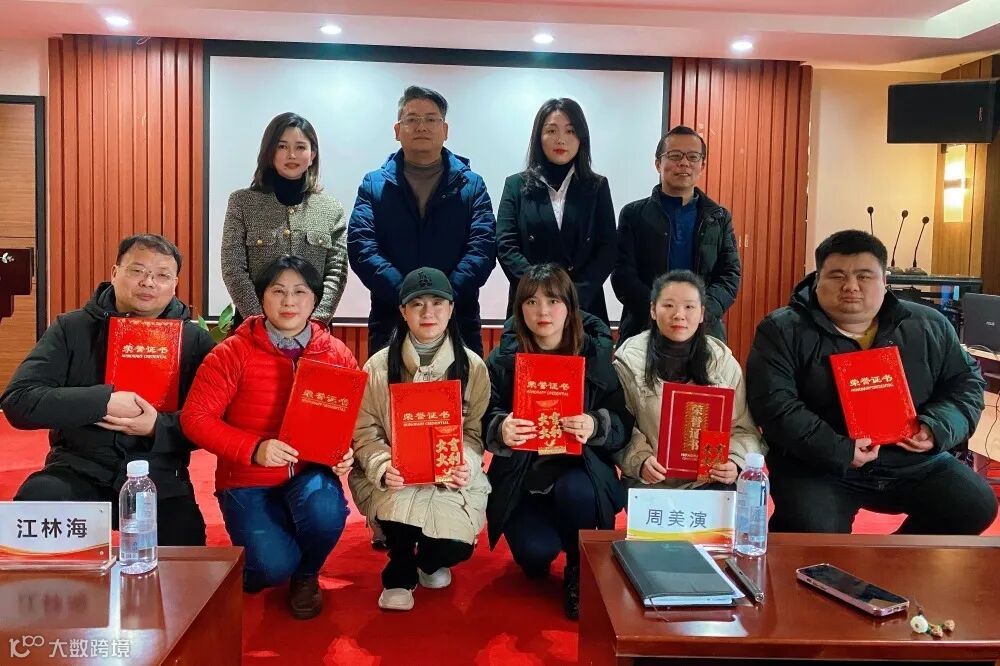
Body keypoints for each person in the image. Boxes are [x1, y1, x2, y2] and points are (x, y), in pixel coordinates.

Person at [746, 230, 998, 534]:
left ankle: (896, 558)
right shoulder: (782, 330)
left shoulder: (928, 325)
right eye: (837, 276)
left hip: (909, 460)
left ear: (884, 281)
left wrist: (937, 427)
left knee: (974, 504)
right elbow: (774, 404)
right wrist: (839, 449)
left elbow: (965, 383)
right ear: (817, 279)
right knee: (811, 528)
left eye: (864, 276)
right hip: (819, 463)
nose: (851, 286)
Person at [1, 234, 213, 546]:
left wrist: (157, 427)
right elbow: (19, 401)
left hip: (159, 477)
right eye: (137, 271)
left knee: (185, 550)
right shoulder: (71, 328)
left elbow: (212, 421)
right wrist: (102, 402)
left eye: (162, 275)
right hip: (77, 468)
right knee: (38, 506)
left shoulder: (194, 341)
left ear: (174, 284)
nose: (148, 282)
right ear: (114, 273)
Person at [181, 255, 356, 619]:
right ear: (261, 297)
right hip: (248, 479)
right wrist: (254, 448)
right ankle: (264, 560)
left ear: (315, 299)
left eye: (300, 292)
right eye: (278, 291)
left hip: (309, 471)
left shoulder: (335, 353)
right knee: (270, 569)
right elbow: (195, 419)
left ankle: (306, 574)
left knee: (326, 512)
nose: (289, 301)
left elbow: (353, 416)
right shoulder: (232, 353)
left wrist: (346, 450)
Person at [483, 263, 632, 620]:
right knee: (534, 556)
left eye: (553, 301)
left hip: (581, 474)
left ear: (570, 307)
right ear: (519, 308)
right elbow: (483, 416)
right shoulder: (503, 360)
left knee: (577, 492)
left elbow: (622, 422)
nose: (543, 311)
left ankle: (579, 570)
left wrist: (595, 424)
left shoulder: (596, 356)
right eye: (531, 302)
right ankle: (547, 539)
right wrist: (501, 429)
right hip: (525, 478)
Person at [350, 267, 491, 612]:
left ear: (451, 308)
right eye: (417, 304)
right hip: (397, 478)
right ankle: (399, 569)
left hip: (449, 480)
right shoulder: (378, 367)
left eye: (438, 303)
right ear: (403, 311)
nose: (428, 313)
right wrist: (382, 466)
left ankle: (428, 561)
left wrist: (466, 463)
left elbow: (475, 433)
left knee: (454, 548)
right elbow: (364, 432)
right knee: (398, 517)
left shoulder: (473, 367)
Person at [348, 85, 496, 356]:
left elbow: (483, 247)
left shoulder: (472, 185)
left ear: (445, 129)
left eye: (431, 119)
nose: (422, 127)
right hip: (391, 317)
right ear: (397, 130)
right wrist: (406, 295)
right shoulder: (373, 184)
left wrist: (443, 298)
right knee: (390, 385)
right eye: (412, 119)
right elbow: (362, 247)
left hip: (457, 319)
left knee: (461, 384)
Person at [613, 270, 763, 489]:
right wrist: (640, 460)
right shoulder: (630, 361)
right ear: (653, 310)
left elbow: (743, 427)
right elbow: (619, 424)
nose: (679, 315)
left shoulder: (722, 361)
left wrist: (734, 461)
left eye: (689, 307)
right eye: (668, 305)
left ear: (702, 313)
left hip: (710, 481)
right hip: (650, 482)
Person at [611, 125, 741, 344]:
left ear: (702, 165)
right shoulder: (633, 215)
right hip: (643, 328)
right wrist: (658, 312)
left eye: (693, 157)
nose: (684, 163)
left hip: (703, 331)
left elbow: (729, 275)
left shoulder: (718, 218)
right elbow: (622, 274)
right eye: (675, 156)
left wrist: (698, 314)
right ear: (658, 163)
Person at [496, 98, 616, 324]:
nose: (561, 139)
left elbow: (607, 247)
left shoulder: (597, 186)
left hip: (583, 305)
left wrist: (572, 297)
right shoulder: (516, 185)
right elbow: (506, 245)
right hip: (531, 304)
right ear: (538, 136)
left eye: (570, 131)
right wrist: (540, 294)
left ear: (581, 138)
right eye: (551, 130)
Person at [221, 112, 347, 325]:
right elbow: (233, 268)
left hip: (313, 330)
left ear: (313, 154)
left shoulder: (331, 208)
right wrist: (259, 321)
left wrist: (315, 323)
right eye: (282, 146)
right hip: (254, 328)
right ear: (269, 151)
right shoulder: (242, 202)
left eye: (300, 147)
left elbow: (337, 271)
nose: (292, 155)